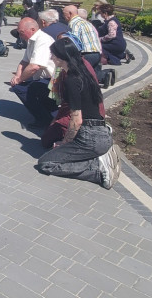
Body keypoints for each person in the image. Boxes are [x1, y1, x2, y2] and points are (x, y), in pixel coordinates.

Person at [37, 37, 121, 189]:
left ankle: (98, 168)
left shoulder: (71, 79)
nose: (51, 57)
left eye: (53, 55)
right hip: (100, 132)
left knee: (46, 163)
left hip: (90, 137)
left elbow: (76, 119)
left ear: (62, 57)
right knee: (57, 154)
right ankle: (100, 156)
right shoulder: (83, 71)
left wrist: (65, 142)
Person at [9, 17, 55, 127]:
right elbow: (24, 62)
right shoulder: (31, 41)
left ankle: (44, 119)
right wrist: (18, 75)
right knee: (19, 85)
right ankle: (47, 110)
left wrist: (19, 80)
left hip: (52, 80)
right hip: (41, 78)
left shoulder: (42, 40)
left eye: (21, 33)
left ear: (32, 29)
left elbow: (34, 66)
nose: (20, 36)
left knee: (21, 88)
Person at [62, 4, 103, 76]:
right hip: (97, 52)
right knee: (94, 75)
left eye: (64, 14)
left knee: (79, 74)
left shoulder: (74, 24)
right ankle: (105, 75)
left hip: (86, 54)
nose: (63, 16)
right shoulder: (86, 22)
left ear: (70, 14)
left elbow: (74, 42)